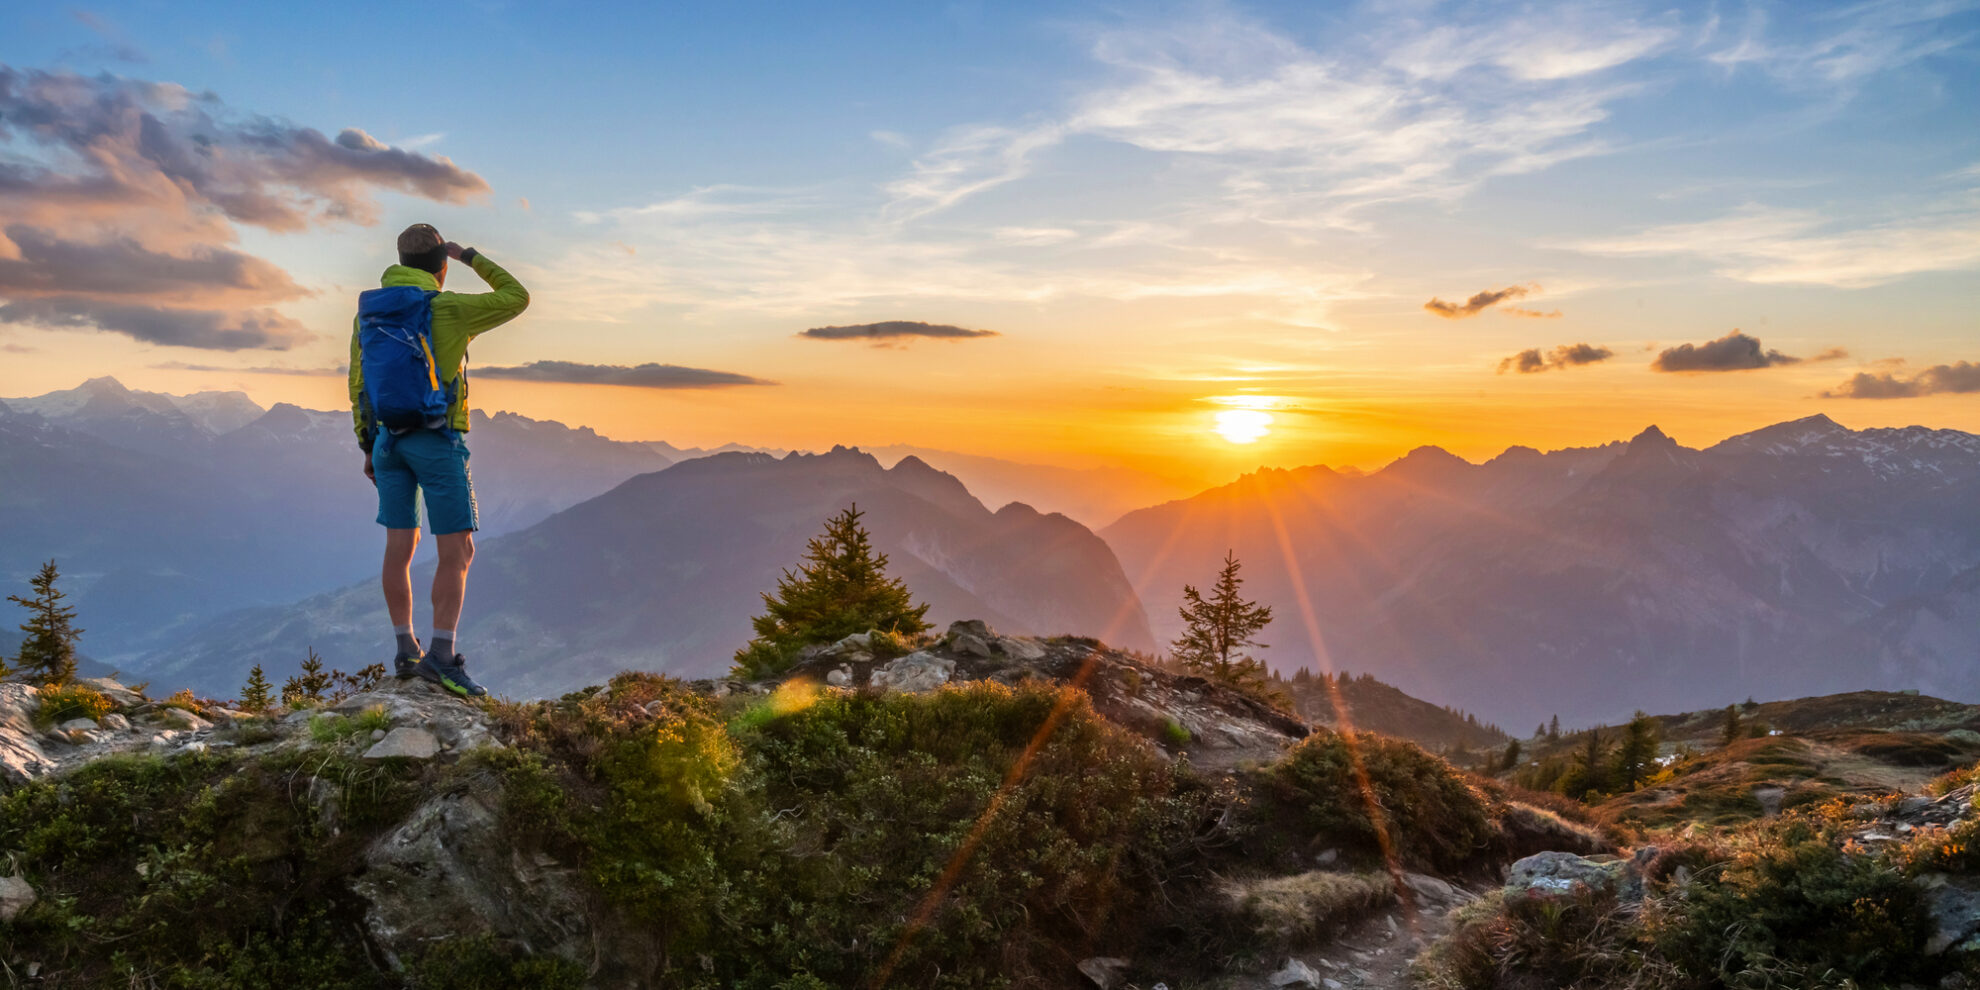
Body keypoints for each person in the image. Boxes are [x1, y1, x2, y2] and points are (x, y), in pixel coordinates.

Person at [348, 223, 528, 697]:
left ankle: (407, 651)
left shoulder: (370, 312)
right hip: (438, 440)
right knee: (458, 551)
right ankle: (443, 658)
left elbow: (358, 381)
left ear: (400, 262)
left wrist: (369, 445)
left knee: (399, 548)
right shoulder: (447, 307)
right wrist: (471, 255)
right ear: (440, 267)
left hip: (388, 441)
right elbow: (517, 296)